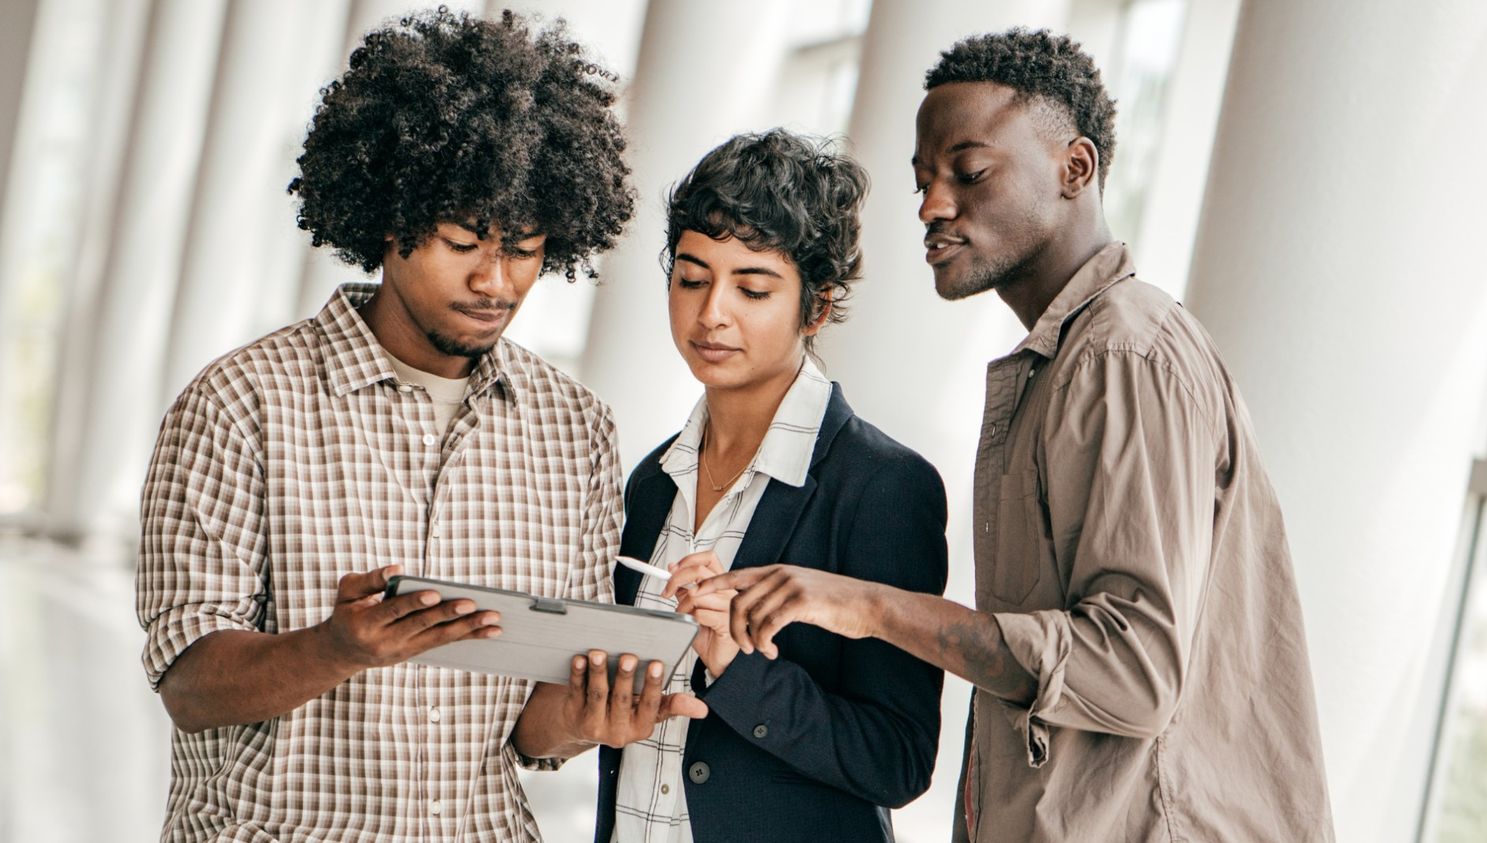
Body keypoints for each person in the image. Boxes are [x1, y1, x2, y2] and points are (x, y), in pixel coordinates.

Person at [699, 29, 1336, 842]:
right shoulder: (1059, 363)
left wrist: (863, 605)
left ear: (1076, 169)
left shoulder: (1123, 353)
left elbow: (1131, 670)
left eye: (969, 173)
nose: (932, 205)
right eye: (923, 181)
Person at [135, 10, 701, 841]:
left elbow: (532, 729)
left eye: (525, 248)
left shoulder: (573, 427)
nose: (495, 280)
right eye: (464, 240)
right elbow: (188, 687)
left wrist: (595, 717)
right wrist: (335, 647)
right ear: (389, 221)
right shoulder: (240, 402)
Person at [592, 130, 949, 843]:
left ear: (815, 309)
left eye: (752, 287)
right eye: (691, 277)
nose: (711, 312)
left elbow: (898, 759)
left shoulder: (884, 486)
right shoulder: (650, 481)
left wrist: (737, 667)